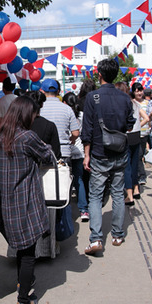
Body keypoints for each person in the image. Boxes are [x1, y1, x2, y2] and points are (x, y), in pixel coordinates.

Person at [0, 96, 54, 304]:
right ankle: (23, 301)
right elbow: (48, 154)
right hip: (26, 199)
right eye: (33, 114)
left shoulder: (2, 135)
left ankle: (23, 284)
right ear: (25, 114)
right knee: (29, 251)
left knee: (21, 247)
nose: (35, 117)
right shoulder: (27, 136)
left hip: (8, 200)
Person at [81, 57, 135, 254]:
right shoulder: (124, 98)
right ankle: (118, 234)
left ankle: (96, 239)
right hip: (120, 152)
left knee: (95, 196)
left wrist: (86, 155)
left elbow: (86, 129)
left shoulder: (92, 97)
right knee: (118, 193)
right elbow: (130, 124)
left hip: (98, 153)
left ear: (100, 74)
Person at [23, 90, 60, 259]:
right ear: (42, 106)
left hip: (22, 177)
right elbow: (56, 154)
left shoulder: (20, 126)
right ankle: (46, 251)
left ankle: (23, 252)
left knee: (24, 215)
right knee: (45, 213)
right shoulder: (49, 125)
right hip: (44, 175)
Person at [62, 92, 90, 222]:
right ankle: (84, 210)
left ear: (65, 103)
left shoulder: (64, 113)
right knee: (79, 180)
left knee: (65, 181)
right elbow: (85, 133)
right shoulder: (82, 115)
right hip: (79, 151)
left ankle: (65, 211)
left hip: (66, 150)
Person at [39, 78, 80, 164]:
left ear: (42, 91)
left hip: (42, 151)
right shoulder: (67, 109)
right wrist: (71, 139)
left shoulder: (39, 108)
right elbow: (76, 133)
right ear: (58, 91)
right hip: (64, 151)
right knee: (63, 176)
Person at [124, 83, 150, 206]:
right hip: (136, 135)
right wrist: (138, 124)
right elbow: (147, 118)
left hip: (127, 136)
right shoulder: (135, 104)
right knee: (135, 164)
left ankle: (129, 195)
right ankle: (136, 189)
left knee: (127, 166)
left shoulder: (123, 104)